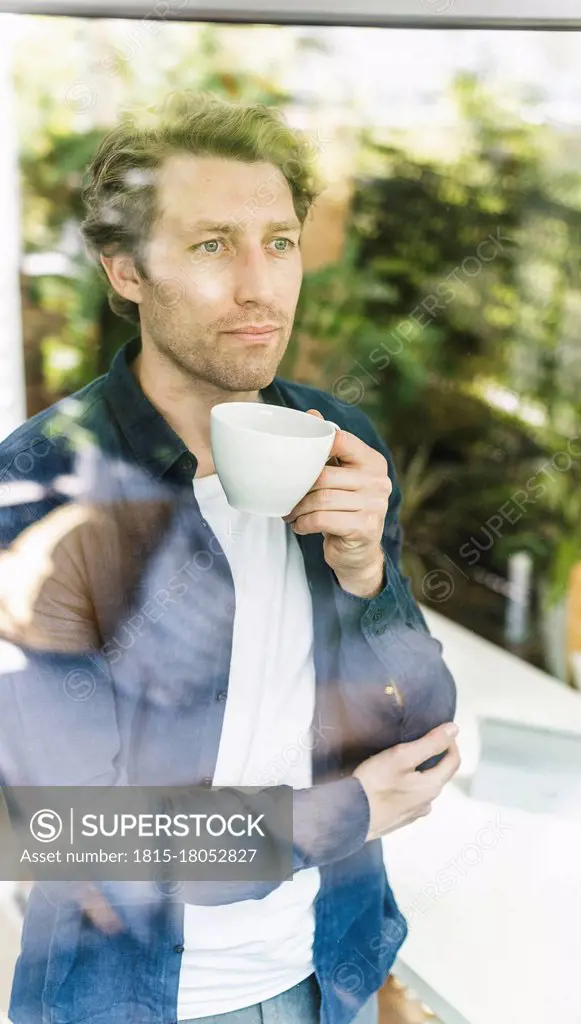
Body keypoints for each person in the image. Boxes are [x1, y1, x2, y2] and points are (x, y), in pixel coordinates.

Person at [0, 90, 459, 1024]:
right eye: (212, 245)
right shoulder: (41, 489)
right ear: (123, 268)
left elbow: (423, 725)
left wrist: (368, 572)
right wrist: (341, 817)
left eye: (279, 242)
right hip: (130, 1001)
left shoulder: (339, 443)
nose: (262, 287)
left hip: (325, 974)